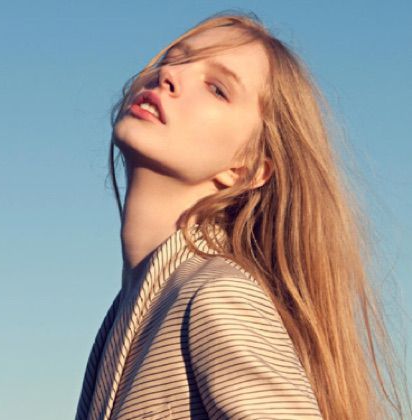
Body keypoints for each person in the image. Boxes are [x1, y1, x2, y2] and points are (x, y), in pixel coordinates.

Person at [75, 11, 410, 420]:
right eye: (174, 59)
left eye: (217, 89)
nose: (169, 75)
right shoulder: (126, 315)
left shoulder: (217, 294)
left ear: (247, 168)